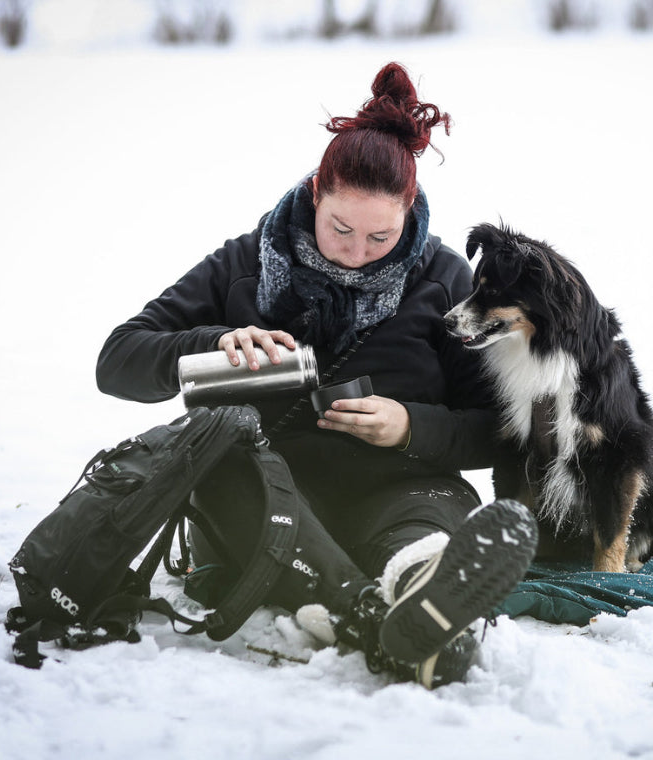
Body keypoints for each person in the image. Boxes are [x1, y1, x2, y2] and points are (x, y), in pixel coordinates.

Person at [95, 62, 536, 688]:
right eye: (341, 229)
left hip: (402, 490)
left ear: (412, 212)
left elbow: (500, 429)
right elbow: (117, 362)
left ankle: (420, 592)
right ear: (314, 196)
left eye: (381, 236)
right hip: (262, 497)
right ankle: (384, 617)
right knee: (220, 472)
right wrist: (214, 342)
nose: (356, 253)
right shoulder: (242, 265)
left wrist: (412, 427)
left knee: (426, 530)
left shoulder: (445, 284)